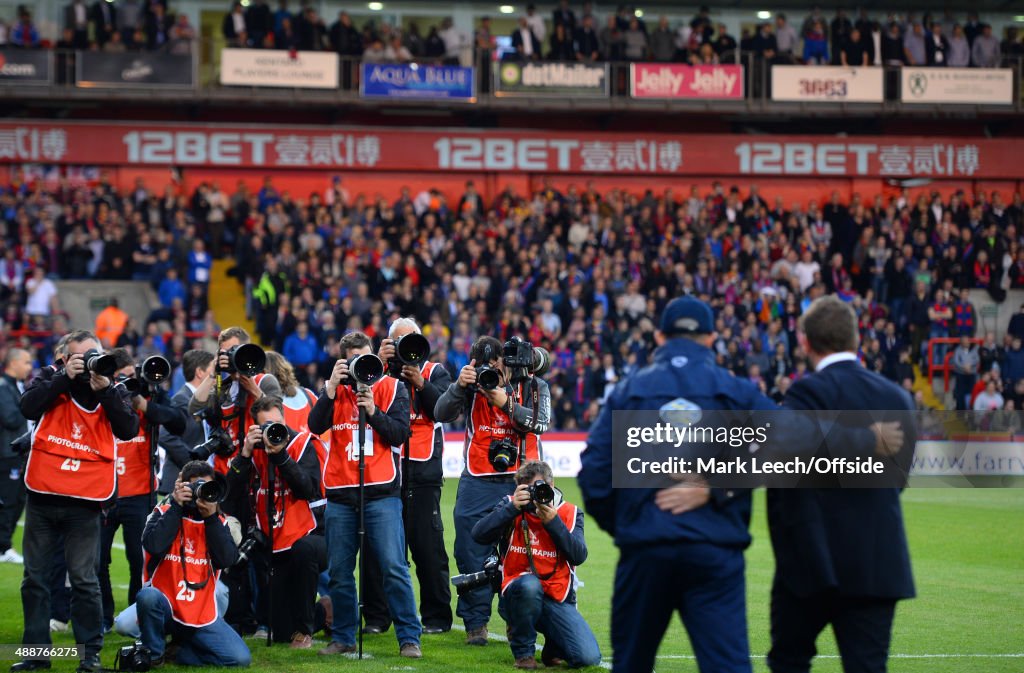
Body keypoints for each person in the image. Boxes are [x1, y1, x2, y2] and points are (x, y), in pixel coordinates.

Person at [579, 297, 895, 673]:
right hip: (714, 552)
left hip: (645, 551)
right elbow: (793, 440)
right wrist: (864, 440)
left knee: (631, 664)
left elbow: (593, 474)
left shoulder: (628, 391)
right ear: (712, 338)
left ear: (660, 337)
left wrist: (631, 526)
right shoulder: (735, 390)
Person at [766, 296, 916, 673]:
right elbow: (896, 480)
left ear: (805, 342)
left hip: (813, 561)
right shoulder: (896, 397)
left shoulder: (804, 394)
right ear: (857, 338)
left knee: (789, 661)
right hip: (875, 560)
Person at [15, 331, 139, 673]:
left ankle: (90, 657)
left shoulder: (112, 388)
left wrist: (106, 390)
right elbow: (27, 405)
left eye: (93, 355)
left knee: (84, 581)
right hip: (43, 495)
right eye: (80, 357)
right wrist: (62, 377)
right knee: (35, 579)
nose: (88, 363)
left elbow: (128, 429)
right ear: (64, 357)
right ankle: (35, 655)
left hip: (85, 501)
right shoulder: (50, 377)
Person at [307, 331, 421, 658]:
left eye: (366, 358)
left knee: (393, 567)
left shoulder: (392, 387)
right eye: (353, 360)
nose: (361, 366)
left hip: (382, 493)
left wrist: (372, 410)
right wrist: (329, 389)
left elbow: (399, 434)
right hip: (341, 495)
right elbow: (315, 426)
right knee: (340, 572)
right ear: (343, 361)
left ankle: (409, 638)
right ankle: (343, 636)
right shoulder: (335, 391)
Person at [435, 336, 551, 646]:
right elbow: (441, 413)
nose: (492, 369)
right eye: (484, 365)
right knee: (470, 550)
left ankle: (517, 619)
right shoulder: (472, 385)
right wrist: (459, 385)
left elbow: (541, 423)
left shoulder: (532, 384)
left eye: (496, 363)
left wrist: (506, 402)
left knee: (522, 551)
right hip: (476, 478)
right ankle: (476, 623)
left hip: (522, 477)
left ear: (507, 360)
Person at [363, 318, 453, 634]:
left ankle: (437, 618)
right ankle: (377, 617)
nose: (406, 347)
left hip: (424, 471)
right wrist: (382, 363)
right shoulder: (380, 371)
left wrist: (420, 383)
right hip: (387, 472)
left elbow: (443, 410)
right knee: (380, 550)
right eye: (398, 341)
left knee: (428, 548)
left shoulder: (435, 372)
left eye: (410, 340)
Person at [472, 461, 601, 670]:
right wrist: (511, 508)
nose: (541, 494)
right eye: (534, 489)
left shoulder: (569, 513)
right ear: (521, 488)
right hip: (518, 593)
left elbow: (578, 555)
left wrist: (553, 522)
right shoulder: (510, 505)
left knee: (587, 658)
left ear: (553, 484)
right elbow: (478, 535)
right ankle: (524, 653)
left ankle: (554, 647)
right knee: (530, 586)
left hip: (555, 597)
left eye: (545, 488)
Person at [225, 395, 326, 648]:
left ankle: (306, 631)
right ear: (256, 427)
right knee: (280, 632)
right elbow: (229, 494)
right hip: (276, 542)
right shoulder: (254, 451)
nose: (273, 430)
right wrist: (245, 453)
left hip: (313, 536)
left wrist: (281, 456)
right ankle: (326, 611)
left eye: (277, 422)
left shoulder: (302, 444)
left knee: (304, 551)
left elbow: (308, 489)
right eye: (266, 425)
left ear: (284, 418)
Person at [99, 349, 188, 633]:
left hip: (139, 492)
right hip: (102, 492)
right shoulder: (99, 397)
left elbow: (178, 421)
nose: (123, 384)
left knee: (140, 559)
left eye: (128, 377)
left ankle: (134, 616)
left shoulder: (148, 397)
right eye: (117, 378)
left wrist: (143, 403)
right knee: (97, 558)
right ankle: (102, 617)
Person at [136, 461, 250, 667]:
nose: (201, 493)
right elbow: (153, 545)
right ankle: (154, 655)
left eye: (207, 487)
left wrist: (211, 518)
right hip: (166, 606)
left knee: (240, 659)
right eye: (195, 487)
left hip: (201, 611)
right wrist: (176, 506)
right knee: (144, 602)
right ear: (182, 487)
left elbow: (226, 560)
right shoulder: (163, 512)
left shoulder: (220, 522)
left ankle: (180, 651)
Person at [158, 350, 216, 496]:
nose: (216, 377)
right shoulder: (182, 399)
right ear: (200, 372)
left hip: (196, 481)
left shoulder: (208, 400)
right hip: (181, 481)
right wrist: (193, 463)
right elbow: (165, 436)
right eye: (212, 370)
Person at [0, 348, 32, 564]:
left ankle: (5, 545)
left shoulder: (18, 386)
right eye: (26, 362)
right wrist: (31, 404)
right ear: (13, 363)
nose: (30, 367)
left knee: (18, 500)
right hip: (7, 453)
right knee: (7, 501)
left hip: (18, 454)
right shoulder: (3, 387)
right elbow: (11, 418)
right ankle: (3, 547)